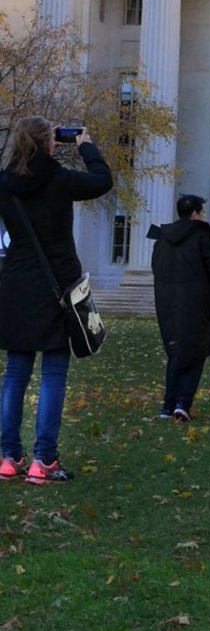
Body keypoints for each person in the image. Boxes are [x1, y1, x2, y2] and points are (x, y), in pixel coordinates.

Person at [0, 117, 113, 484]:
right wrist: (85, 144)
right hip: (57, 285)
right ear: (48, 143)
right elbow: (103, 180)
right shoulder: (60, 179)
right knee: (53, 373)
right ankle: (43, 459)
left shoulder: (4, 182)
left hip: (17, 283)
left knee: (15, 372)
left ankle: (8, 456)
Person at [148, 194, 210, 421]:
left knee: (176, 351)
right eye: (202, 212)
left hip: (168, 301)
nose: (204, 216)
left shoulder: (163, 238)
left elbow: (157, 267)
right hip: (197, 301)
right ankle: (182, 402)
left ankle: (168, 405)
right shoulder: (201, 236)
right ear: (194, 213)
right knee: (196, 350)